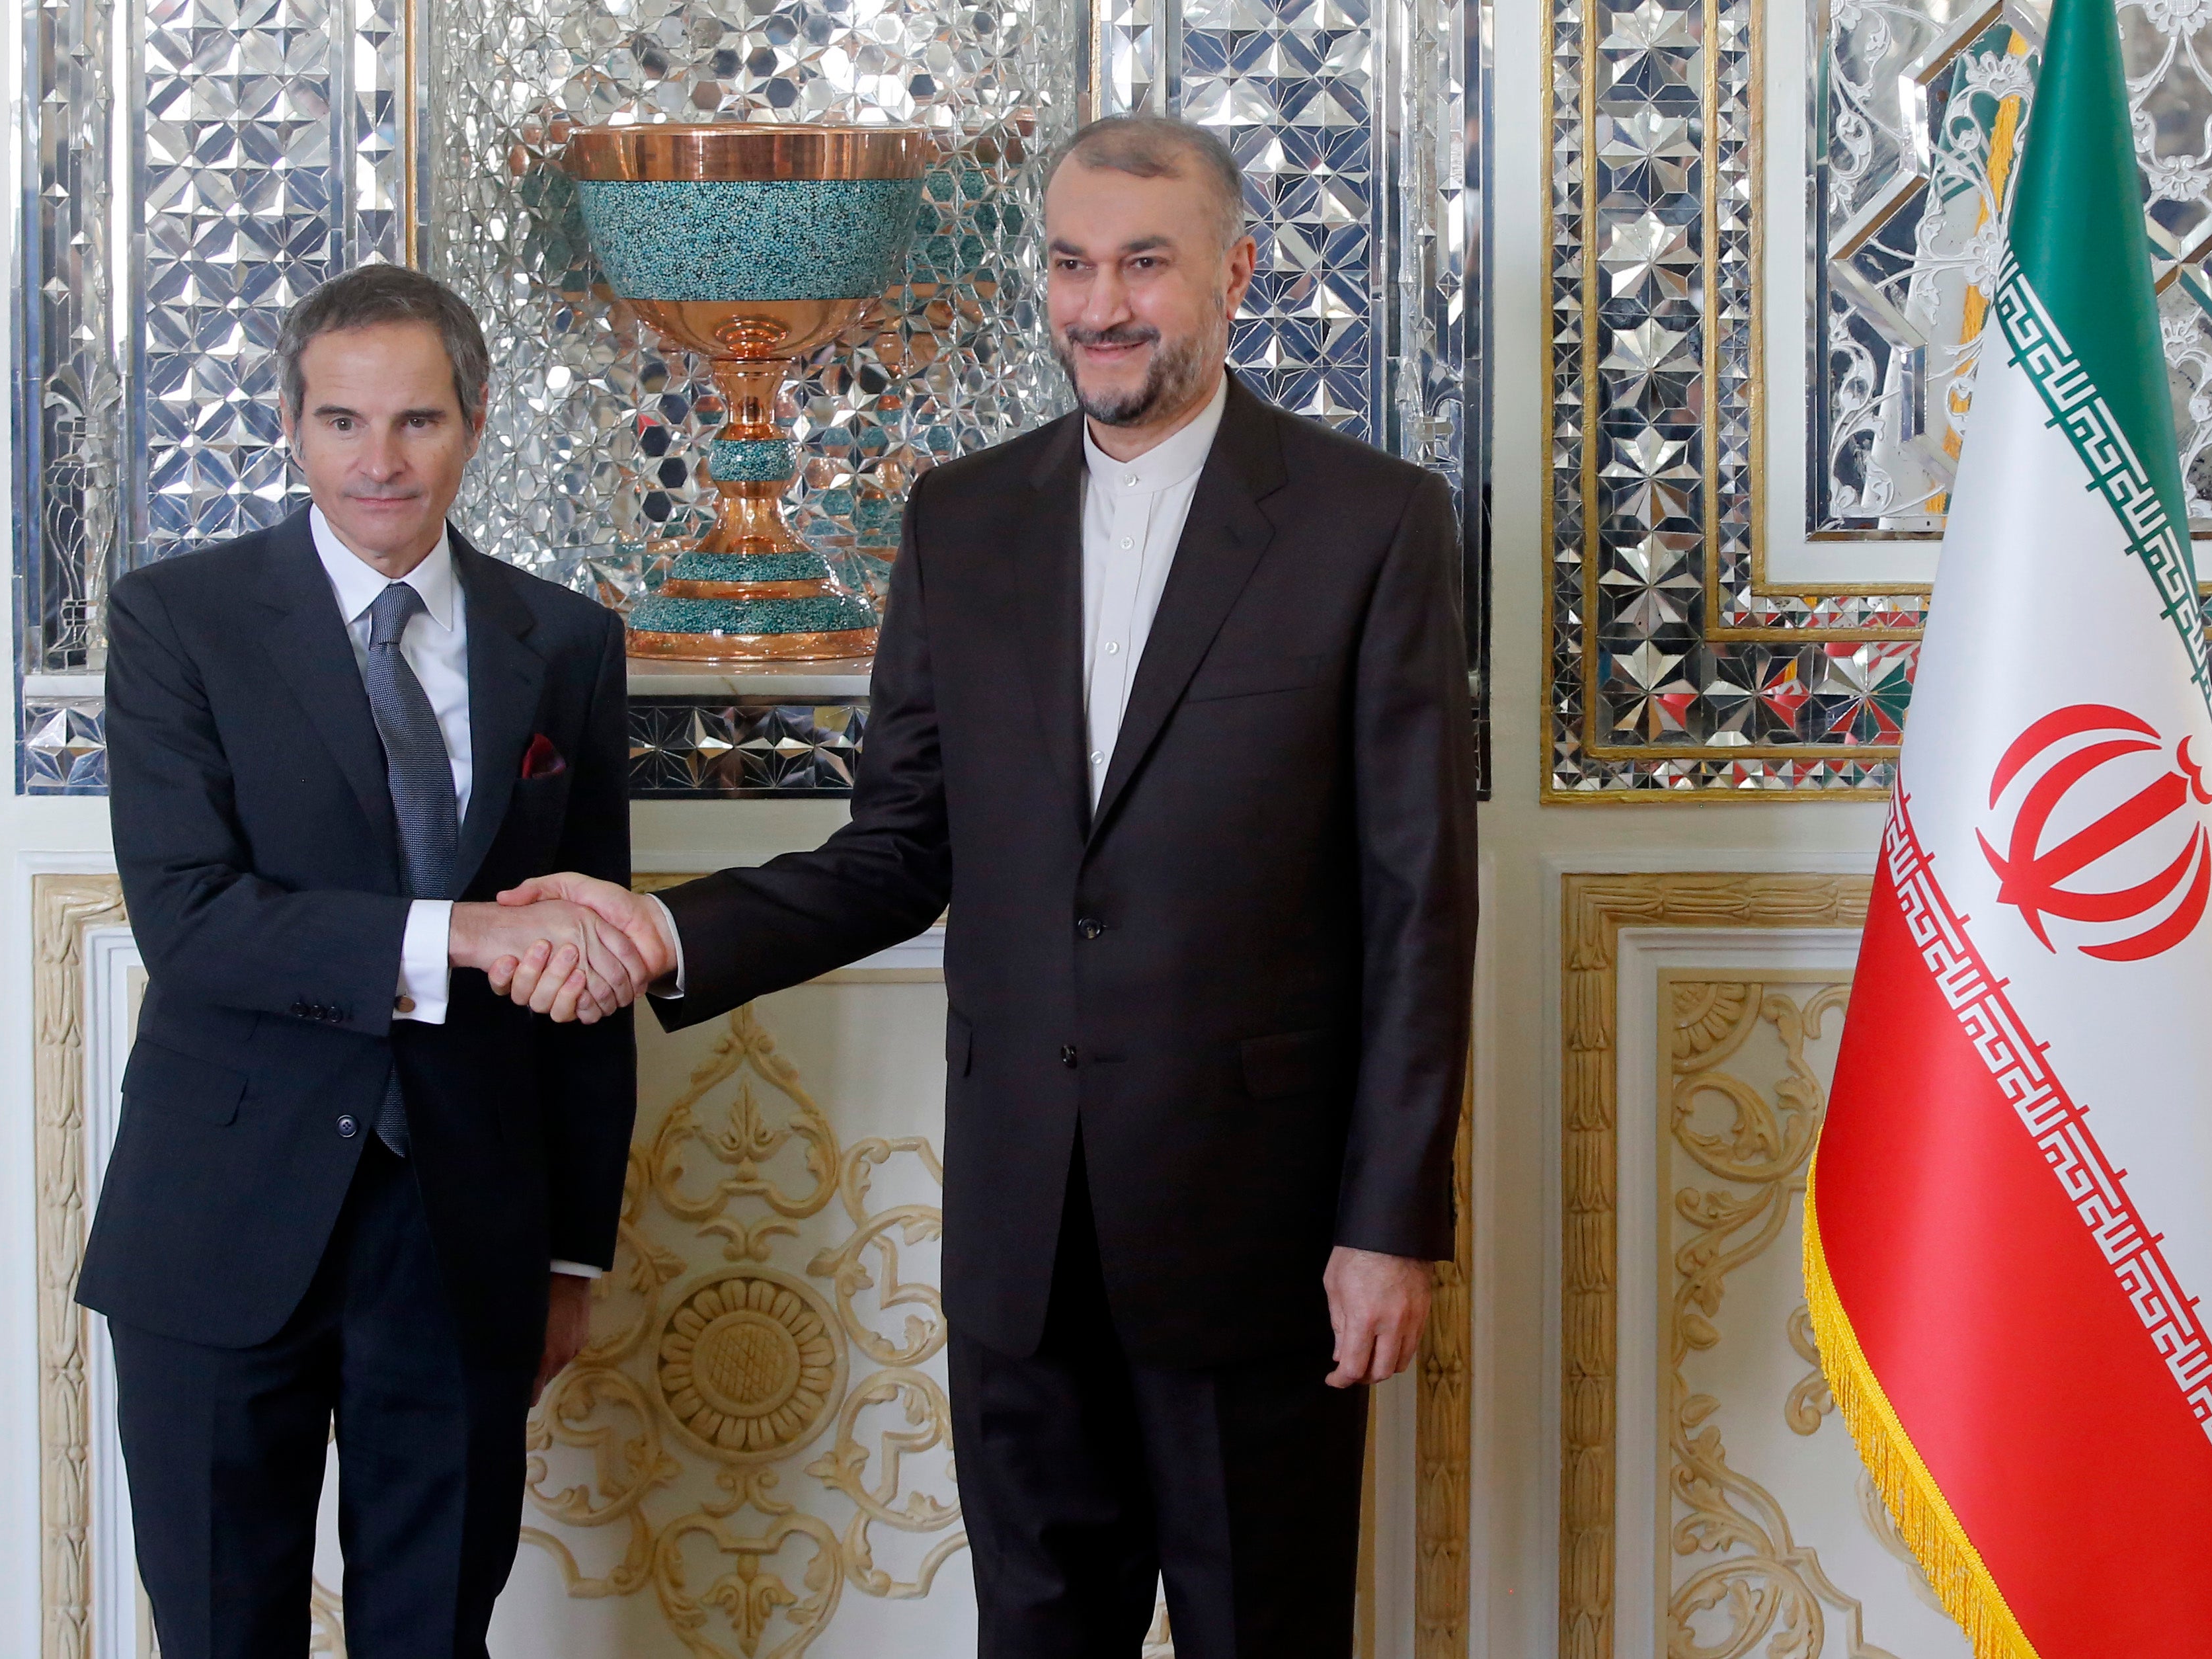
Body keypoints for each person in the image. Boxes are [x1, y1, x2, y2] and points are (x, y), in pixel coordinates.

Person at [494, 115, 1476, 1658]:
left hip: (1262, 1235)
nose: (1100, 306)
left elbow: (1421, 904)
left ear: (1235, 273)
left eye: (1144, 264)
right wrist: (669, 932)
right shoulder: (961, 520)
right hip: (1021, 1240)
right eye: (1072, 264)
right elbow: (898, 851)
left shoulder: (1372, 522)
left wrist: (1389, 1221)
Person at [76, 264, 669, 1659]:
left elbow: (584, 971)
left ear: (474, 423)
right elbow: (193, 917)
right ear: (291, 425)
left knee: (433, 1632)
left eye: (415, 422)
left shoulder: (565, 643)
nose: (378, 461)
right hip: (218, 1220)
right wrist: (455, 932)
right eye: (342, 421)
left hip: (465, 1229)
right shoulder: (179, 621)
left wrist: (571, 1252)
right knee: (224, 1630)